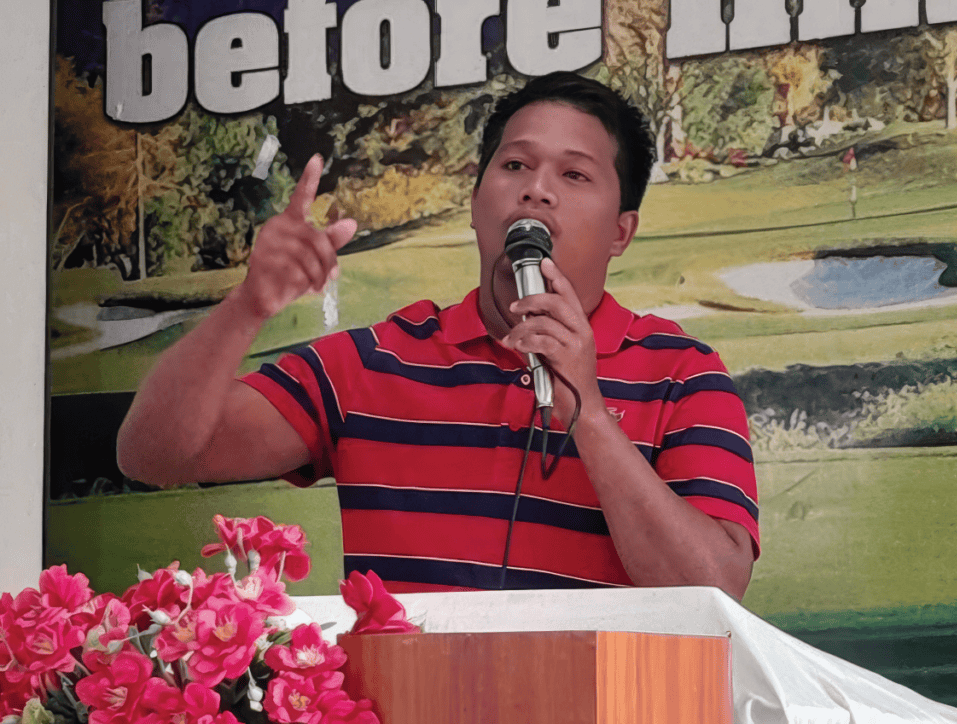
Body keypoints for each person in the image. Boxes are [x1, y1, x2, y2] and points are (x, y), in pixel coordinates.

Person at [118, 72, 758, 599]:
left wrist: (586, 412)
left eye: (574, 175)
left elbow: (715, 587)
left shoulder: (682, 373)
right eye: (515, 165)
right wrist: (246, 307)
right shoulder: (373, 363)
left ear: (621, 231)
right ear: (479, 201)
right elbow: (151, 456)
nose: (536, 189)